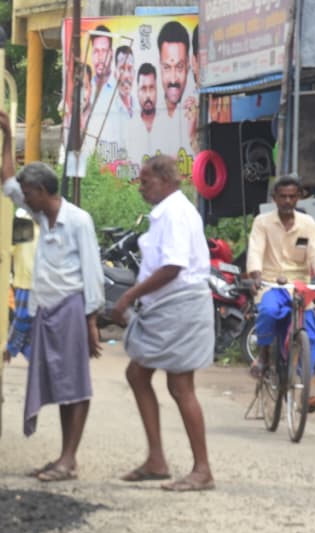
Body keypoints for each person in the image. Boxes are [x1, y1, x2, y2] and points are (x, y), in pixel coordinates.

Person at [0, 111, 104, 482]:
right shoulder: (42, 217)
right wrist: (9, 136)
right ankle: (64, 457)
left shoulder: (78, 220)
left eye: (29, 194)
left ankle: (69, 459)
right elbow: (8, 182)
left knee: (75, 385)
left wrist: (91, 323)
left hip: (72, 309)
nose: (24, 198)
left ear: (43, 192)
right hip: (47, 309)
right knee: (59, 383)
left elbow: (92, 272)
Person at [112, 155, 215, 492]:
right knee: (137, 373)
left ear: (167, 181)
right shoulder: (168, 212)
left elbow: (172, 266)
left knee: (180, 386)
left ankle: (202, 470)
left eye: (146, 182)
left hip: (180, 305)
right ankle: (156, 459)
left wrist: (129, 297)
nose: (141, 188)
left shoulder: (175, 212)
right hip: (166, 306)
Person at [246, 176, 315, 410]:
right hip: (271, 282)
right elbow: (255, 250)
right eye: (282, 196)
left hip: (299, 285)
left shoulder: (307, 223)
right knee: (269, 312)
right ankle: (263, 356)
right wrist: (255, 274)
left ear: (299, 197)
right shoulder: (262, 222)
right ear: (274, 199)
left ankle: (304, 390)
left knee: (310, 334)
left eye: (292, 196)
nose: (287, 200)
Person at [153, 21, 192, 159]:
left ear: (188, 64)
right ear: (160, 64)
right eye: (167, 68)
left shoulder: (198, 112)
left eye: (179, 66)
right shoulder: (149, 115)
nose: (173, 79)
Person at [125, 63, 160, 172]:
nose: (148, 95)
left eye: (152, 88)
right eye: (143, 89)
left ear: (157, 90)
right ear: (137, 91)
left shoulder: (168, 124)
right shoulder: (129, 128)